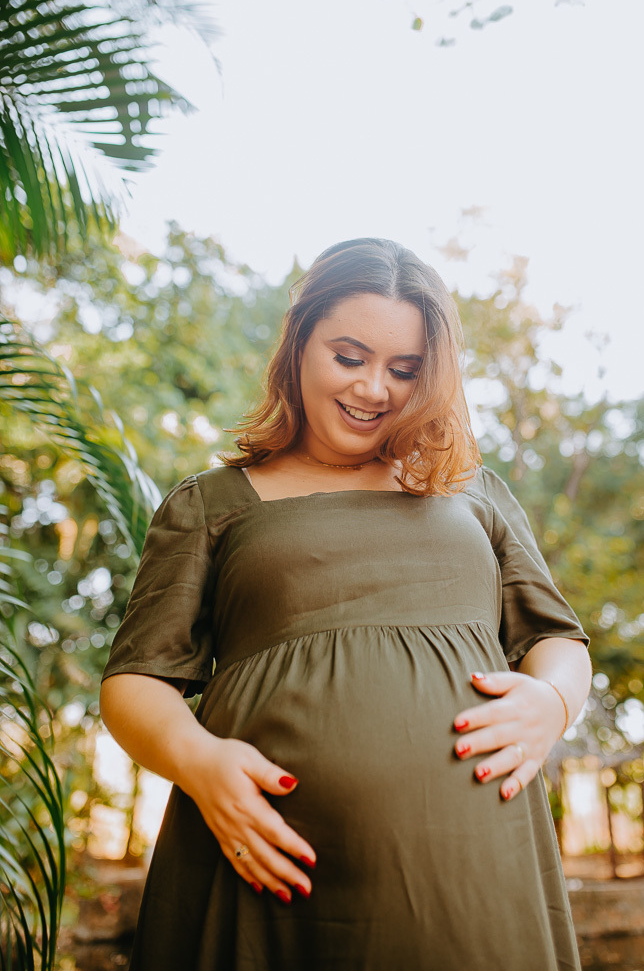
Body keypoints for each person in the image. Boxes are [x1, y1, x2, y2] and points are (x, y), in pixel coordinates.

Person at [99, 237, 592, 970]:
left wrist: (549, 703)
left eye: (404, 369)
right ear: (298, 344)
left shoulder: (474, 493)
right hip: (266, 861)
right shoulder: (212, 503)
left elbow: (556, 639)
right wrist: (199, 761)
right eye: (349, 357)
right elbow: (136, 681)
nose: (374, 389)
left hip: (478, 870)